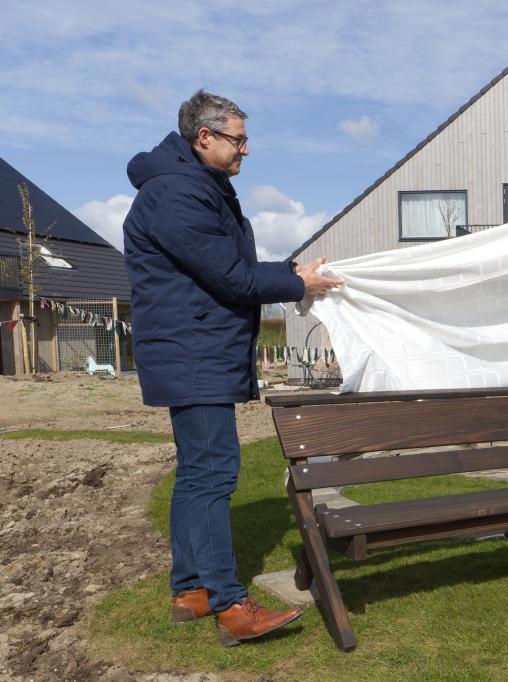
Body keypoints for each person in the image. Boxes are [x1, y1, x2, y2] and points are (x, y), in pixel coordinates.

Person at [122, 89, 342, 645]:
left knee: (196, 474)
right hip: (193, 353)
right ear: (204, 137)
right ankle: (230, 605)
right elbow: (233, 279)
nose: (246, 149)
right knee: (213, 475)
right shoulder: (177, 192)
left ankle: (191, 590)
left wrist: (291, 270)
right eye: (238, 140)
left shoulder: (193, 185)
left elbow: (229, 265)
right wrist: (296, 283)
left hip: (194, 349)